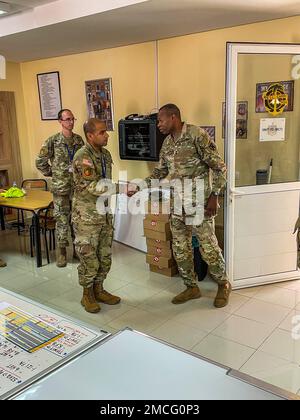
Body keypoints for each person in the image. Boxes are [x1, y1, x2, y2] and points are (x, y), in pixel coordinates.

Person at [131, 104, 231, 308]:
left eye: (160, 120)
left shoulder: (196, 135)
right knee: (180, 247)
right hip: (177, 203)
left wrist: (215, 196)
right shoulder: (167, 143)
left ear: (174, 117)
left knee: (208, 247)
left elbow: (219, 167)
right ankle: (191, 286)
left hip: (200, 203)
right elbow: (160, 172)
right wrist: (140, 185)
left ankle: (223, 283)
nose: (158, 124)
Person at [72, 118, 121, 313]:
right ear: (90, 135)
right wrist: (121, 188)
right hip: (87, 218)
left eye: (106, 131)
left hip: (104, 214)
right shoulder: (82, 156)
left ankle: (99, 290)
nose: (106, 135)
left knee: (105, 256)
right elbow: (92, 186)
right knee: (89, 258)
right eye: (102, 132)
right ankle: (87, 295)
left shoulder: (105, 154)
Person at [36, 109, 84, 268]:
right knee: (62, 220)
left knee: (76, 219)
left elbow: (83, 161)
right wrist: (53, 173)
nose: (71, 122)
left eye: (72, 119)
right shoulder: (53, 141)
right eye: (67, 119)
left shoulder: (78, 141)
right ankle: (62, 252)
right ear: (60, 121)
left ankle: (78, 251)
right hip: (61, 188)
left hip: (76, 187)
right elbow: (40, 161)